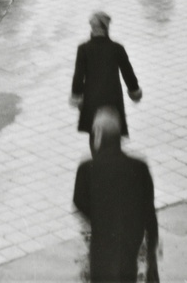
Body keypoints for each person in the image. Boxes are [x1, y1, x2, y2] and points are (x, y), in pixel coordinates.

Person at [73, 106, 160, 283]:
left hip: (103, 244)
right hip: (129, 244)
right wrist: (152, 256)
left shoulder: (86, 169)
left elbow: (79, 201)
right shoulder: (139, 168)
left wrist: (99, 217)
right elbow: (149, 213)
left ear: (98, 134)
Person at [71, 12, 143, 151]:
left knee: (94, 131)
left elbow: (78, 76)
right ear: (106, 28)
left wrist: (76, 95)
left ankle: (96, 162)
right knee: (114, 130)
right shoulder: (117, 48)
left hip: (91, 99)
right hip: (112, 98)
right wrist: (134, 90)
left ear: (92, 28)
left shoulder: (83, 49)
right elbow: (128, 74)